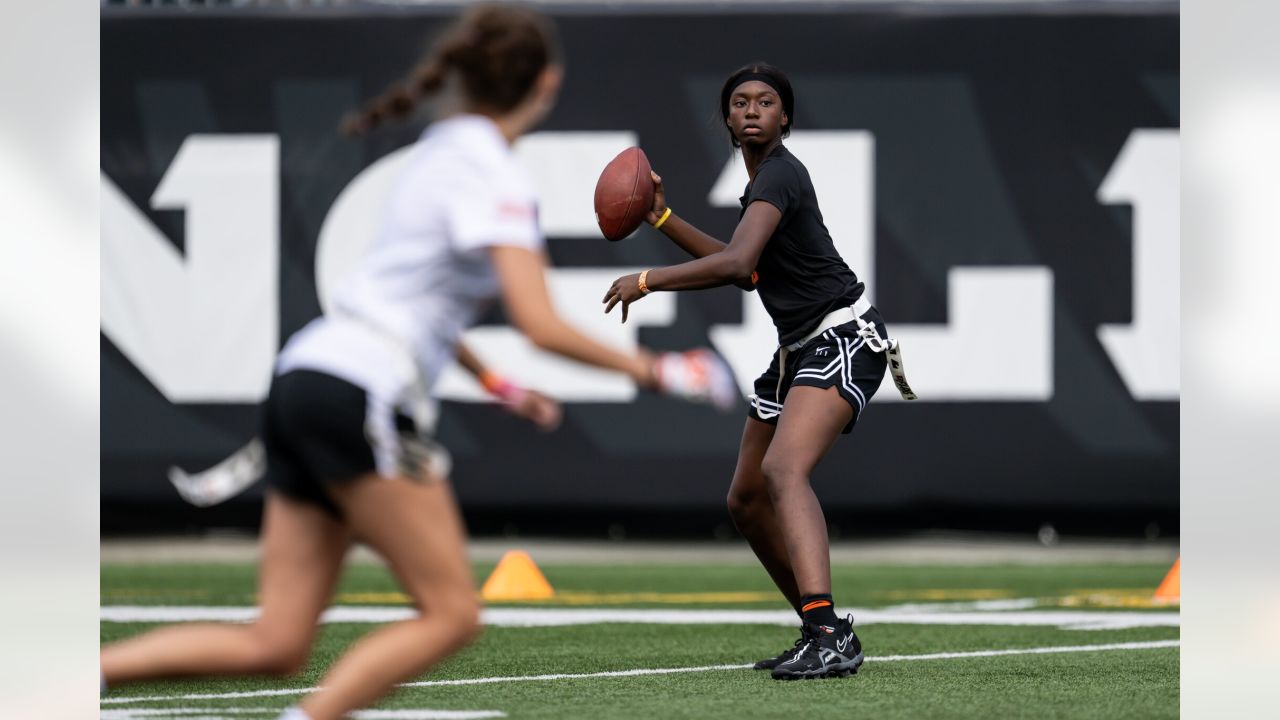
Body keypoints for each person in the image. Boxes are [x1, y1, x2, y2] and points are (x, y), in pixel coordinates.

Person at [100, 6, 735, 718]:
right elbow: (538, 322)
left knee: (275, 643)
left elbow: (414, 300)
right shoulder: (492, 171)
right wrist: (660, 372)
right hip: (358, 393)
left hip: (307, 373)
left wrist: (496, 383)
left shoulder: (440, 147)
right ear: (545, 84)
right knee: (452, 614)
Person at [603, 62, 915, 681]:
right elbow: (747, 272)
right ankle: (818, 628)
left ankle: (829, 634)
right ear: (726, 118)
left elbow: (738, 261)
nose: (751, 110)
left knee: (782, 469)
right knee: (746, 498)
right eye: (740, 102)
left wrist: (647, 278)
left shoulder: (780, 174)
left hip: (844, 335)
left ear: (785, 119)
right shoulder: (762, 184)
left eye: (766, 102)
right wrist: (662, 221)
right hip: (798, 346)